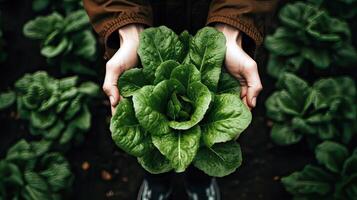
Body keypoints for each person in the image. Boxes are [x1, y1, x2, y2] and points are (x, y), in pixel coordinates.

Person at [83, 0, 278, 199]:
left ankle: (200, 183)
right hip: (149, 15)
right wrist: (127, 26)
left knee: (204, 156)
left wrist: (233, 24)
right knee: (153, 156)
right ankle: (158, 185)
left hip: (211, 17)